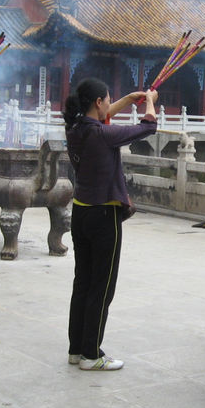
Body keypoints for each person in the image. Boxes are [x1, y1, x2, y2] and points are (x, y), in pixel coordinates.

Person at [64, 78, 157, 370]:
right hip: (104, 216)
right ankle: (92, 355)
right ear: (98, 103)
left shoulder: (76, 129)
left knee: (83, 282)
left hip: (80, 212)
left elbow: (102, 116)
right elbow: (147, 128)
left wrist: (129, 99)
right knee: (102, 287)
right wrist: (150, 102)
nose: (108, 103)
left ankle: (77, 349)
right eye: (107, 99)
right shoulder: (103, 135)